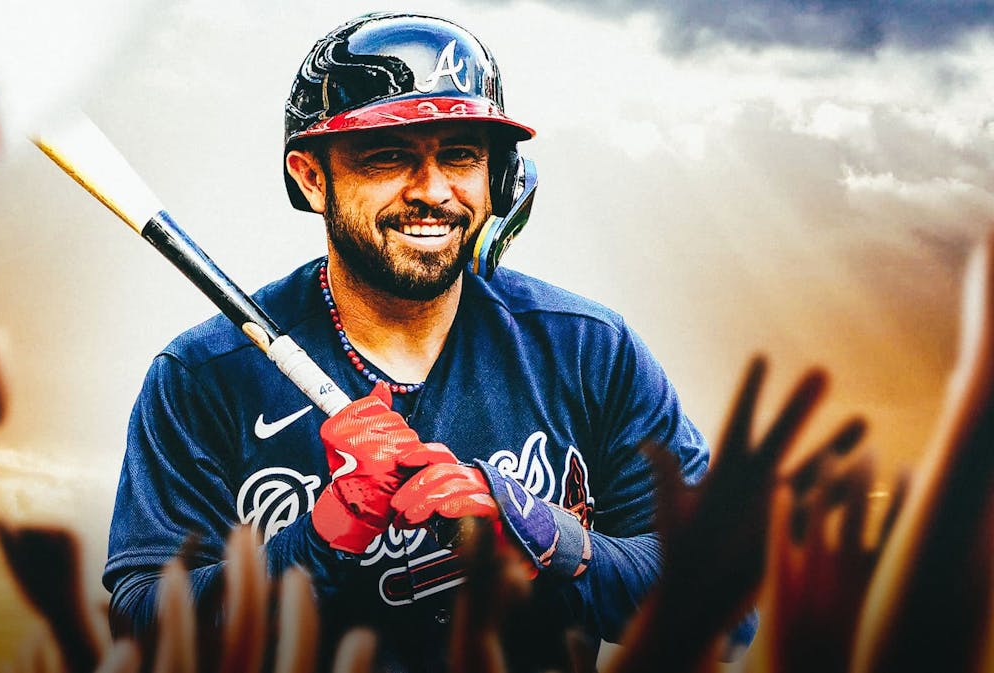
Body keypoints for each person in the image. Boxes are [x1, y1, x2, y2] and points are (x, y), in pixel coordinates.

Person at [104, 12, 715, 671]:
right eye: (388, 155)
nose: (432, 191)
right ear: (313, 176)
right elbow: (143, 634)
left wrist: (541, 534)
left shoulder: (591, 350)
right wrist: (323, 538)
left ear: (501, 180)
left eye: (460, 155)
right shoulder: (203, 375)